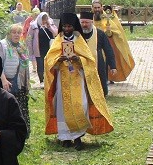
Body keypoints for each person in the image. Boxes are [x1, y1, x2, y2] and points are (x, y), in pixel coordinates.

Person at [43, 14, 114, 149]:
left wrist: (79, 59)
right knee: (62, 107)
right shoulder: (58, 40)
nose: (67, 29)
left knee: (81, 105)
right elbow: (48, 60)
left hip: (78, 78)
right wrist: (58, 60)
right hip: (62, 79)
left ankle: (78, 137)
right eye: (64, 26)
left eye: (69, 26)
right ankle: (65, 138)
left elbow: (90, 61)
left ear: (74, 27)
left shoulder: (79, 40)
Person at [0, 24, 31, 136]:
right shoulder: (2, 45)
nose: (16, 35)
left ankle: (21, 133)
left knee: (21, 108)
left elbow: (25, 66)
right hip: (7, 82)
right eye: (14, 32)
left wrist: (27, 83)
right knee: (8, 108)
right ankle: (8, 134)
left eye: (19, 33)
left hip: (19, 82)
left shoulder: (21, 47)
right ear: (9, 33)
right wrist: (3, 80)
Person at [78, 9, 117, 97]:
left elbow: (108, 50)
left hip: (98, 62)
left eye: (87, 22)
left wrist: (113, 66)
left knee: (100, 80)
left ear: (92, 22)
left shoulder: (100, 33)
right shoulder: (76, 34)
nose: (84, 25)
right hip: (81, 62)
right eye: (82, 22)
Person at [97, 4, 135, 82]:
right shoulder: (92, 17)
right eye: (95, 7)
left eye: (98, 7)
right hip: (96, 42)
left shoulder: (111, 17)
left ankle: (110, 77)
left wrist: (109, 31)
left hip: (109, 42)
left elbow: (117, 30)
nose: (97, 9)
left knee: (109, 58)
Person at [25, 12, 56, 87]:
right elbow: (29, 38)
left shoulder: (50, 24)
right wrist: (31, 50)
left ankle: (50, 80)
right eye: (43, 19)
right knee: (40, 65)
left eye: (46, 19)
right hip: (39, 49)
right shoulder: (33, 26)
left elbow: (56, 33)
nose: (44, 21)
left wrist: (49, 26)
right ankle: (41, 81)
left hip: (50, 48)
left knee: (50, 65)